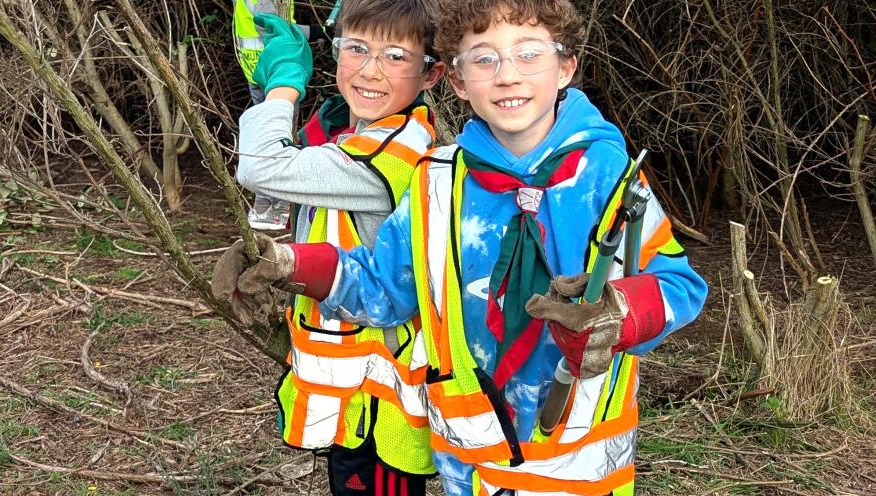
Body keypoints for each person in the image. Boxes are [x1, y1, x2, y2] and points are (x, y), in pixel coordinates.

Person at [216, 0, 708, 494]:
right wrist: (289, 264)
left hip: (576, 463)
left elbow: (680, 285)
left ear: (565, 68)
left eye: (529, 54)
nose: (507, 76)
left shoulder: (609, 177)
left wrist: (620, 312)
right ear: (456, 80)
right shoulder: (436, 181)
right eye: (484, 58)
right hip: (468, 462)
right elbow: (383, 288)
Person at [214, 0, 446, 494]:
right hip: (354, 388)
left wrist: (283, 85)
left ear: (431, 74)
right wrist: (274, 90)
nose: (369, 70)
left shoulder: (394, 153)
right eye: (356, 49)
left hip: (382, 398)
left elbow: (262, 168)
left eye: (395, 57)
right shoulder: (359, 133)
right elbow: (284, 184)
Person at [233, 0, 294, 230]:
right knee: (277, 137)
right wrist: (311, 34)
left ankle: (262, 204)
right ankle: (275, 203)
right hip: (275, 73)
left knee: (264, 133)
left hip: (256, 71)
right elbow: (273, 28)